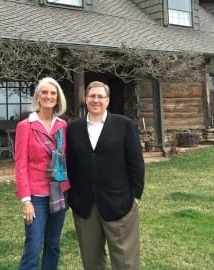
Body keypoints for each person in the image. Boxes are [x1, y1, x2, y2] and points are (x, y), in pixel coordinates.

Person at [67, 81, 145, 270]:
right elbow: (71, 165)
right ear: (85, 99)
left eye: (100, 96)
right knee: (91, 261)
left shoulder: (124, 125)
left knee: (126, 262)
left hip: (120, 203)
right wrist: (74, 198)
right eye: (92, 96)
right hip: (85, 206)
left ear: (107, 100)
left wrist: (135, 196)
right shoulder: (74, 129)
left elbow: (136, 163)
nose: (96, 100)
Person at [15, 77, 70, 270]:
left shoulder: (62, 125)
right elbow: (20, 165)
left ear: (58, 98)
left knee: (53, 245)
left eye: (53, 93)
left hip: (60, 193)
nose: (48, 96)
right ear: (38, 97)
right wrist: (26, 200)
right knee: (33, 246)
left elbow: (67, 158)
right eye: (44, 92)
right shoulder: (26, 126)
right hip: (36, 196)